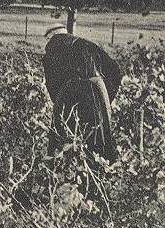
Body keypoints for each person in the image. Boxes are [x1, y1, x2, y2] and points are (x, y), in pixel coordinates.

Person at [43, 24, 122, 163]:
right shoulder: (88, 44)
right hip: (97, 89)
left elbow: (52, 84)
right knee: (100, 135)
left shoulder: (52, 48)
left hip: (70, 93)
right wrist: (105, 99)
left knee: (65, 135)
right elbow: (115, 70)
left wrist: (60, 101)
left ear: (51, 37)